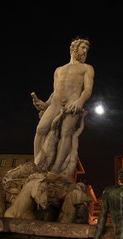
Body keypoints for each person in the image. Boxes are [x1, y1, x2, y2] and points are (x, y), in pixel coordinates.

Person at [32, 38, 94, 175]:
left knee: (66, 133)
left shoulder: (87, 68)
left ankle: (56, 169)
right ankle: (37, 163)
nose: (85, 52)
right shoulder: (59, 70)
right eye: (83, 48)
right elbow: (55, 91)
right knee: (40, 129)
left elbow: (88, 89)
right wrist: (45, 104)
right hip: (56, 103)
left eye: (86, 50)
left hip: (73, 103)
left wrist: (80, 101)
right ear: (73, 48)